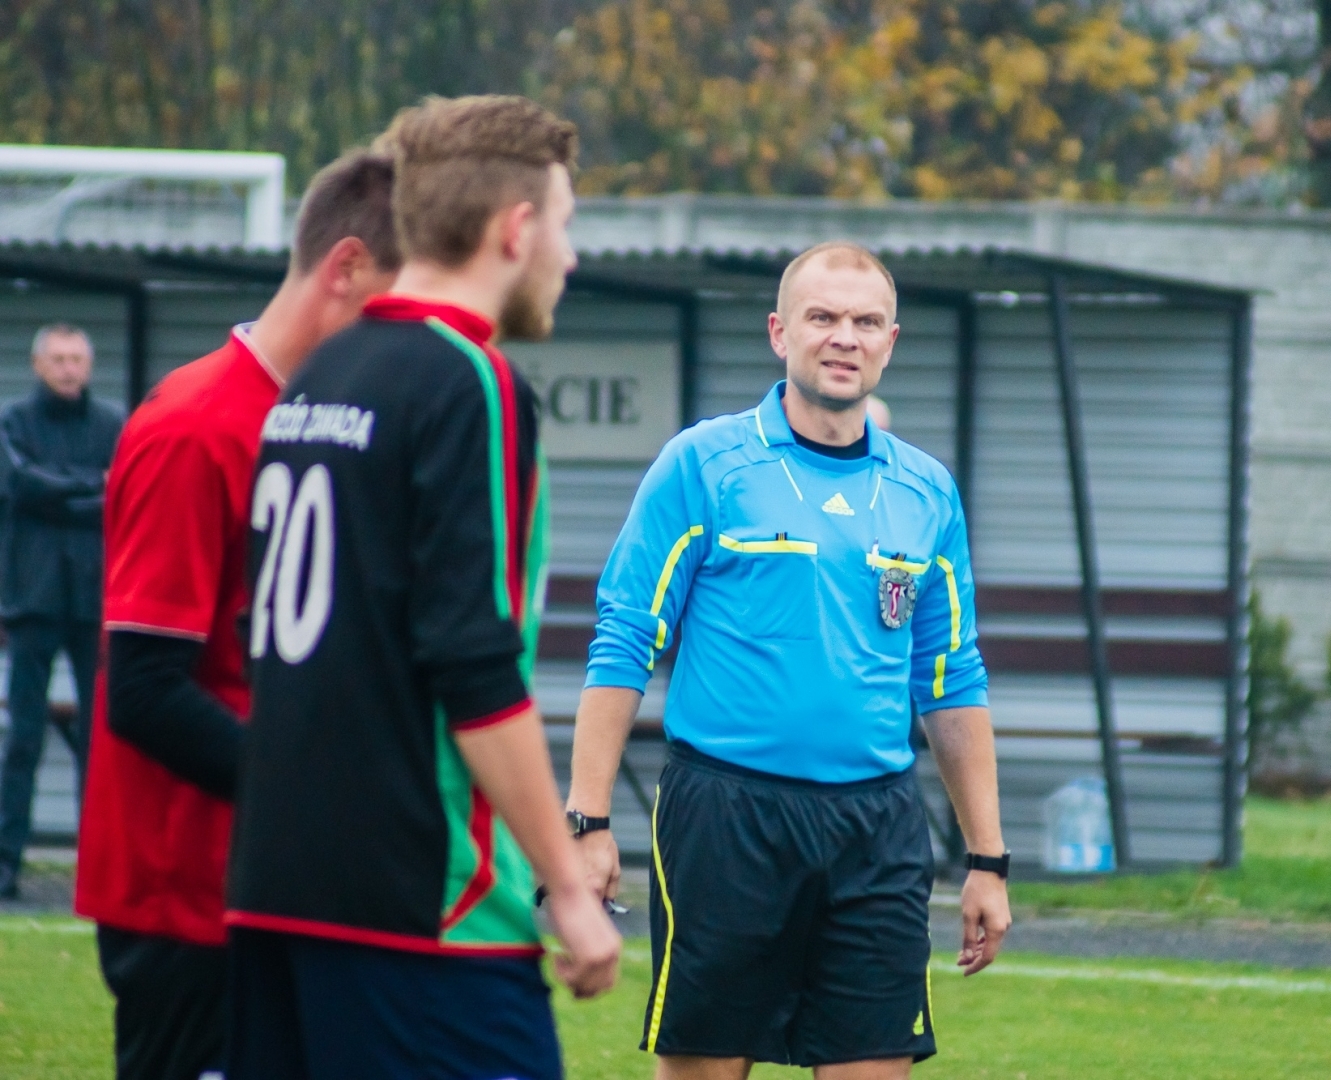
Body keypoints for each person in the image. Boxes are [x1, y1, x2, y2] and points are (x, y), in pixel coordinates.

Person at [225, 95, 620, 1080]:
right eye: (565, 226)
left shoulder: (321, 373)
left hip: (276, 885)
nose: (569, 257)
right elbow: (473, 663)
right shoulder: (470, 381)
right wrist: (566, 884)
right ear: (516, 228)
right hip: (425, 907)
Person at [570, 241, 1012, 1079]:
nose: (844, 337)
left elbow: (953, 678)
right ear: (780, 332)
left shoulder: (927, 492)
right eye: (823, 318)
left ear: (890, 340)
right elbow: (625, 640)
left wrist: (987, 859)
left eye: (866, 321)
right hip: (727, 817)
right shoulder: (703, 464)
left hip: (876, 827)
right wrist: (587, 823)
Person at [74, 149, 401, 1080]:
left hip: (277, 879)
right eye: (402, 302)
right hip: (187, 895)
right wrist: (317, 794)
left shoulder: (319, 415)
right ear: (343, 270)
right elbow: (142, 686)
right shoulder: (196, 422)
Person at [0, 323, 122, 900]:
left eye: (78, 358)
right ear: (39, 364)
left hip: (94, 602)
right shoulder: (13, 421)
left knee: (99, 743)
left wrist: (62, 490)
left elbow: (119, 491)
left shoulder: (112, 424)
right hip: (32, 600)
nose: (70, 368)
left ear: (89, 365)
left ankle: (97, 869)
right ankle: (6, 867)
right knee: (23, 738)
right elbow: (22, 485)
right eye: (59, 359)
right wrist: (88, 487)